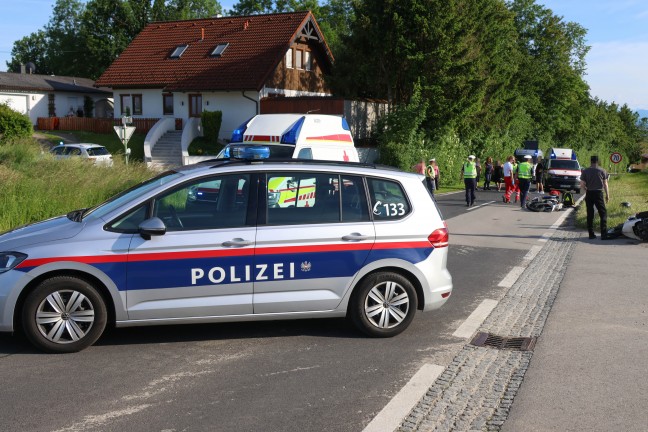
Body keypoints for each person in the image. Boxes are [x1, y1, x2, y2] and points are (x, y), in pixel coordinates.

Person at [580, 155, 610, 240]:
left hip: (589, 193)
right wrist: (608, 195)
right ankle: (603, 234)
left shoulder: (585, 171)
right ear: (598, 161)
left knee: (590, 213)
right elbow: (605, 184)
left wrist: (586, 189)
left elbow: (582, 184)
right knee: (603, 213)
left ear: (591, 161)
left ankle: (591, 233)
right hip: (598, 193)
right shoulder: (602, 170)